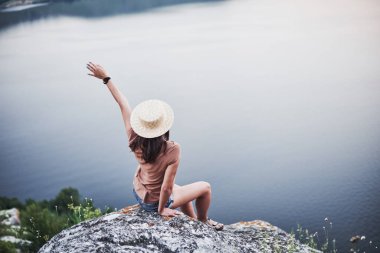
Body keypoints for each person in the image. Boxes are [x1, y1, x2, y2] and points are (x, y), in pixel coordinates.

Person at [87, 62, 223, 231]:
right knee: (205, 187)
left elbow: (123, 103)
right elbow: (166, 187)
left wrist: (106, 79)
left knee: (183, 192)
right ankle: (203, 222)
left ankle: (193, 224)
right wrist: (161, 209)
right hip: (155, 204)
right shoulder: (172, 149)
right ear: (164, 126)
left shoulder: (133, 137)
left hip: (139, 194)